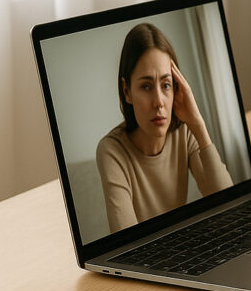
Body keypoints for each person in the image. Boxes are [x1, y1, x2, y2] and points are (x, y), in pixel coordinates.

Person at [97, 22, 233, 232]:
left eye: (166, 85)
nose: (159, 101)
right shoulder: (112, 151)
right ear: (127, 91)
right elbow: (125, 242)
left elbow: (228, 205)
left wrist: (198, 123)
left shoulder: (185, 133)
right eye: (146, 86)